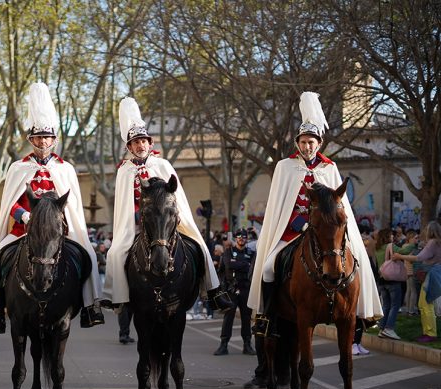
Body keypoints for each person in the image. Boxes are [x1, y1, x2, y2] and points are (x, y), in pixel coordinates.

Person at [248, 92, 382, 337]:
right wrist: (298, 223)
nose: (307, 147)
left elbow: (339, 205)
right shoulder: (284, 167)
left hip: (325, 233)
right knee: (268, 268)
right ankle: (266, 316)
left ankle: (361, 314)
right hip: (289, 233)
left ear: (318, 144)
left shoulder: (329, 168)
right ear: (297, 143)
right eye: (303, 142)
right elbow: (280, 205)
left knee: (357, 262)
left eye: (311, 142)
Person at [0, 82, 104, 333]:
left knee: (88, 257)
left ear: (54, 139)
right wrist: (24, 215)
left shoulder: (65, 169)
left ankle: (90, 307)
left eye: (47, 137)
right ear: (31, 139)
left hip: (57, 233)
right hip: (22, 231)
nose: (42, 142)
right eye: (37, 137)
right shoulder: (17, 168)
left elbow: (72, 205)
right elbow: (10, 203)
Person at [101, 97, 232, 314]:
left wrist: (172, 216)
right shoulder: (124, 171)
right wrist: (139, 218)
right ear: (129, 147)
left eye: (143, 141)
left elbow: (175, 195)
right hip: (137, 223)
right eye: (135, 142)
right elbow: (125, 204)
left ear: (150, 143)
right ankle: (118, 298)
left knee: (199, 246)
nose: (140, 145)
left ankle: (212, 291)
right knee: (115, 253)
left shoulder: (162, 164)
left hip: (167, 221)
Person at [394, 221, 441, 342]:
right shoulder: (438, 243)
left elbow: (419, 258)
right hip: (436, 273)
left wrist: (400, 257)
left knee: (425, 304)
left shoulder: (432, 243)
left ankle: (430, 333)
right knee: (424, 304)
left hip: (431, 275)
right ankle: (428, 332)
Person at [214, 228, 256, 356]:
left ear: (246, 239)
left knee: (246, 318)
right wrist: (244, 265)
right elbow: (228, 265)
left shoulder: (251, 252)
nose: (241, 239)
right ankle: (223, 345)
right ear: (235, 239)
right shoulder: (228, 252)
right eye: (239, 237)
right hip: (231, 289)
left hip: (246, 289)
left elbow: (252, 267)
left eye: (243, 237)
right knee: (228, 317)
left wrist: (237, 264)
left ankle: (247, 345)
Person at [374, 228, 404, 340]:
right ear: (387, 236)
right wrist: (412, 245)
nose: (393, 237)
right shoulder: (390, 246)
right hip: (392, 280)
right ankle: (389, 328)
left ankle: (382, 328)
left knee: (386, 305)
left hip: (381, 280)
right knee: (395, 305)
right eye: (391, 235)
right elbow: (404, 252)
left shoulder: (377, 248)